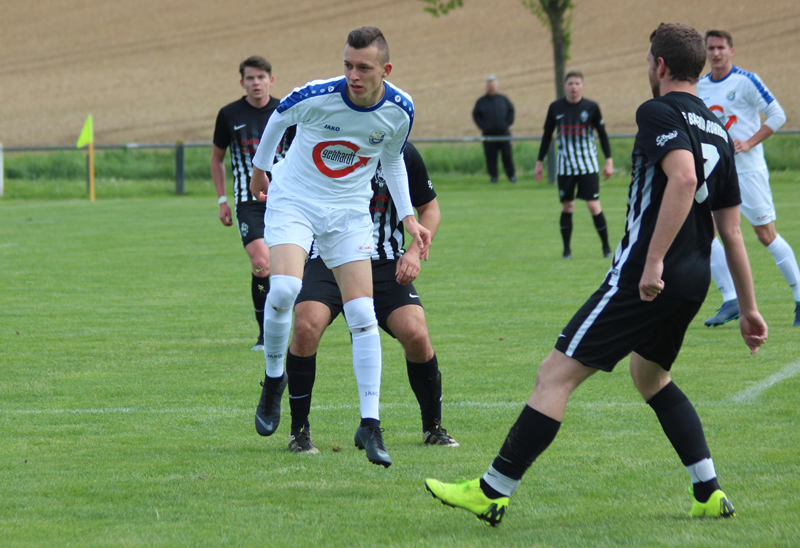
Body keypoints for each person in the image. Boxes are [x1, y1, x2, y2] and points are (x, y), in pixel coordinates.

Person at [424, 23, 768, 526]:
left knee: (554, 375)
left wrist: (651, 263)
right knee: (650, 376)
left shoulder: (658, 111)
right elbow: (731, 232)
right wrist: (750, 307)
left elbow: (684, 178)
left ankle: (492, 490)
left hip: (645, 278)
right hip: (693, 280)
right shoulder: (718, 128)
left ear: (660, 67)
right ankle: (708, 490)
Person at [249, 26, 431, 469]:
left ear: (384, 70)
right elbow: (278, 120)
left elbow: (390, 159)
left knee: (363, 315)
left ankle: (370, 424)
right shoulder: (316, 95)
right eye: (347, 64)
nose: (353, 74)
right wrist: (260, 170)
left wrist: (409, 217)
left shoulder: (399, 109)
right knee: (286, 291)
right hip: (295, 201)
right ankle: (274, 379)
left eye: (363, 67)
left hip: (349, 210)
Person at [284, 142, 458, 454]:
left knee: (416, 333)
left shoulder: (402, 153)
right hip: (328, 258)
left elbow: (430, 209)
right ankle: (299, 431)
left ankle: (433, 427)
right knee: (306, 325)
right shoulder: (329, 145)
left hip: (384, 261)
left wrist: (414, 251)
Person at [698, 29, 800, 327]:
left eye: (720, 48)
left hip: (748, 170)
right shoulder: (701, 86)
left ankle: (799, 296)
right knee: (709, 233)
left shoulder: (746, 81)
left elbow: (777, 115)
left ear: (732, 50)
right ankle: (730, 300)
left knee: (765, 234)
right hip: (716, 171)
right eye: (711, 48)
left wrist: (750, 142)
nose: (715, 53)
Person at [210, 56, 294, 351]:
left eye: (261, 77)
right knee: (261, 263)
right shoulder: (229, 114)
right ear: (242, 82)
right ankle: (264, 334)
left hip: (285, 200)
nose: (256, 83)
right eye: (250, 78)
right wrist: (223, 200)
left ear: (271, 80)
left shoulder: (287, 111)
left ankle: (290, 325)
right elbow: (217, 159)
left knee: (289, 268)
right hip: (249, 202)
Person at [534, 71, 614, 259]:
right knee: (567, 206)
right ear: (565, 86)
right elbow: (547, 136)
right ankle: (567, 251)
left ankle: (606, 248)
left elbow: (602, 134)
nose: (574, 87)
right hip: (565, 167)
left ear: (583, 86)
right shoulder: (555, 107)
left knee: (594, 206)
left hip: (588, 166)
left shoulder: (592, 107)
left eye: (577, 83)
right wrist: (540, 162)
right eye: (570, 83)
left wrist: (609, 161)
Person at [472, 76, 517, 184]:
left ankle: (511, 177)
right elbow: (476, 115)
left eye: (493, 86)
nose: (491, 88)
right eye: (489, 86)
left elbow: (511, 111)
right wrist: (483, 126)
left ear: (496, 87)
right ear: (486, 87)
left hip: (503, 134)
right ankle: (494, 177)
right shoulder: (481, 102)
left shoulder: (503, 99)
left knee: (507, 156)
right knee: (491, 157)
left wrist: (507, 123)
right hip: (489, 135)